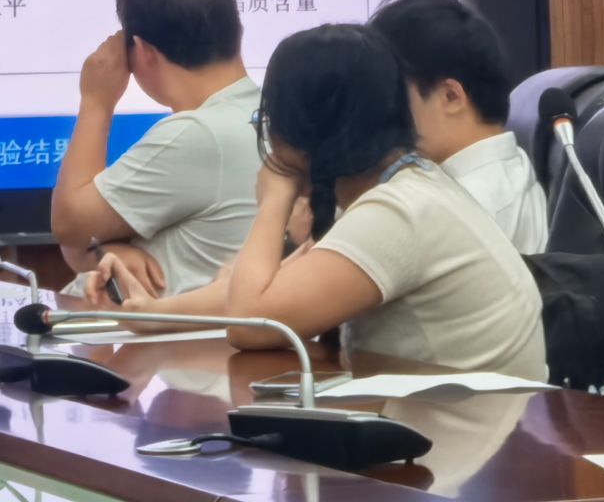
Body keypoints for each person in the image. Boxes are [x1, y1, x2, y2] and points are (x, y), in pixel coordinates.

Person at [104, 24, 547, 378]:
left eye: (268, 119)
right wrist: (153, 313)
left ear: (303, 129)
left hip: (468, 446)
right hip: (460, 430)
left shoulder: (397, 212)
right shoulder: (396, 188)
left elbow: (250, 322)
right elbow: (267, 294)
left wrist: (275, 199)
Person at [51, 0, 258, 297]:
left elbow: (70, 225)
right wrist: (105, 249)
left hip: (159, 332)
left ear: (143, 51)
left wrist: (96, 102)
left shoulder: (198, 134)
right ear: (237, 31)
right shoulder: (271, 110)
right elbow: (80, 240)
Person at [370, 0, 547, 252]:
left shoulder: (471, 206)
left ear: (451, 97)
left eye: (394, 96)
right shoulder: (504, 171)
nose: (385, 112)